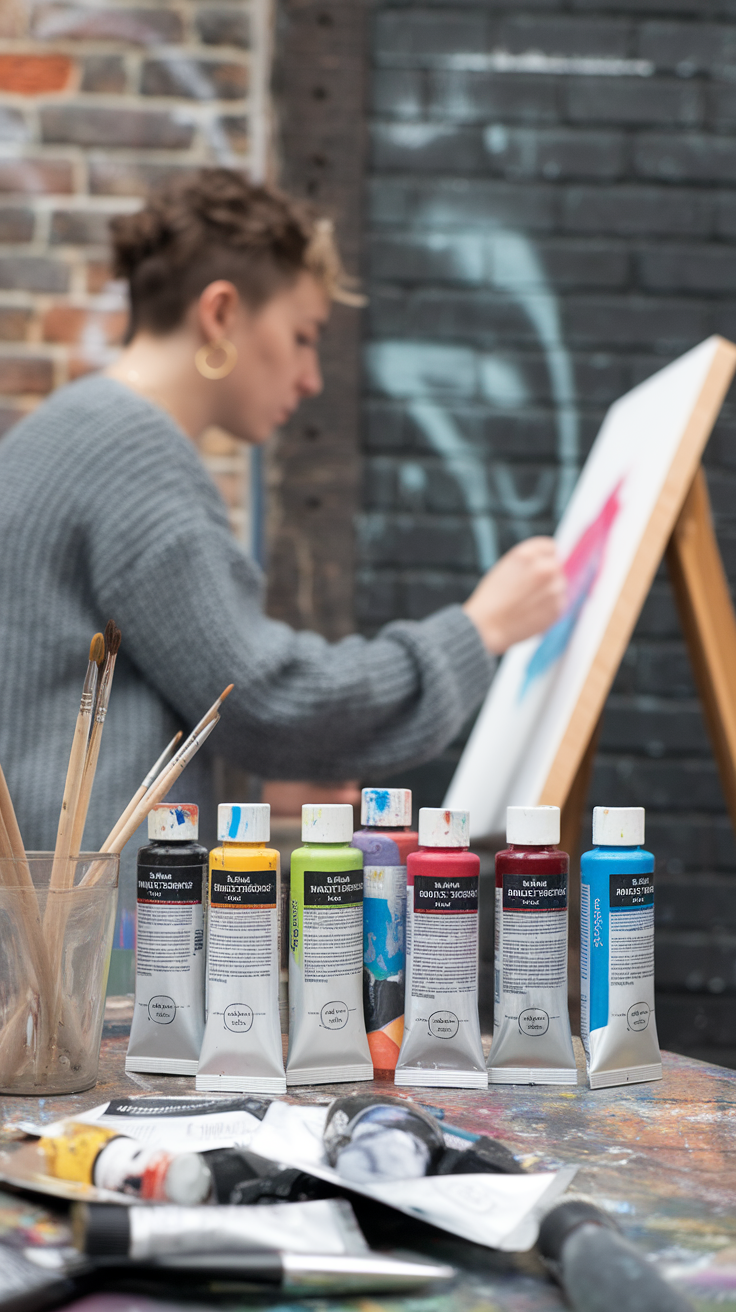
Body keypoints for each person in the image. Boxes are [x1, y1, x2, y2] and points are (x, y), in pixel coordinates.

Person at [0, 168, 566, 900]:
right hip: (85, 946)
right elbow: (265, 696)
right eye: (302, 337)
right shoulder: (131, 453)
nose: (310, 378)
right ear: (221, 314)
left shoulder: (74, 428)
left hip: (52, 927)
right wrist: (478, 630)